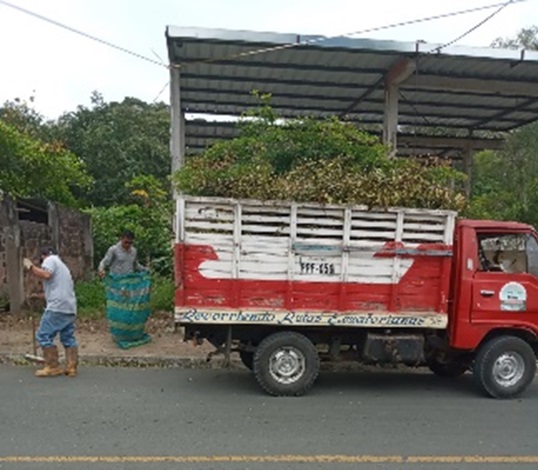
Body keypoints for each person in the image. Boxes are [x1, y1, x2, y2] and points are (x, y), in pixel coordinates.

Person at [23, 247, 78, 377]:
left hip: (57, 307)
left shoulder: (50, 259)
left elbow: (46, 275)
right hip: (69, 307)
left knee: (43, 335)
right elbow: (57, 289)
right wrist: (39, 296)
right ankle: (71, 366)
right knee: (68, 337)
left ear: (43, 256)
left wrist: (31, 267)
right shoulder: (63, 267)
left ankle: (53, 366)